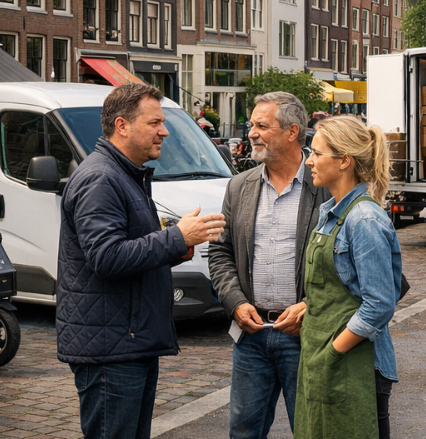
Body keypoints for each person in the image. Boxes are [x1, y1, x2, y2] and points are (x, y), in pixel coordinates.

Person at [57, 83, 226, 439]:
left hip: (128, 341)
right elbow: (106, 257)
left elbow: (130, 250)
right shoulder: (102, 178)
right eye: (154, 123)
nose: (164, 131)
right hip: (112, 349)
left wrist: (177, 247)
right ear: (122, 126)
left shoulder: (125, 174)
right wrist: (177, 237)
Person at [209, 93, 329, 439]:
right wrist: (235, 302)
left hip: (306, 336)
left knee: (310, 430)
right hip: (252, 334)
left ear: (293, 132)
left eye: (262, 126)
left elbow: (349, 266)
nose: (252, 133)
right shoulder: (239, 187)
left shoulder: (325, 183)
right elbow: (220, 253)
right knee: (243, 430)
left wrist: (311, 306)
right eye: (251, 126)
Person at [299, 115, 403, 439]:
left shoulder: (363, 219)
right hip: (325, 362)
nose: (309, 161)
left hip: (356, 365)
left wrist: (333, 351)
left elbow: (380, 304)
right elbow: (341, 287)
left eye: (317, 153)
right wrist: (306, 306)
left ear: (344, 160)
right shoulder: (330, 213)